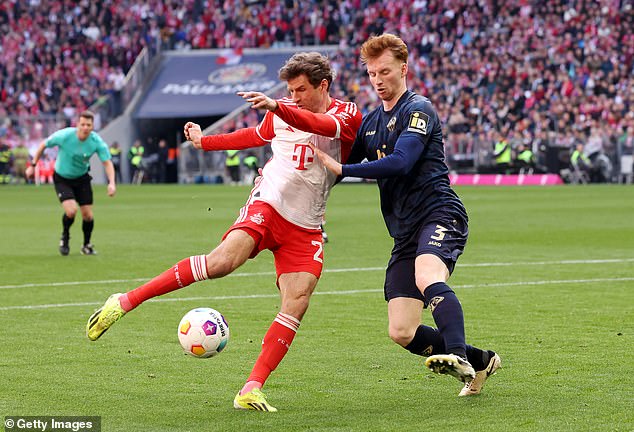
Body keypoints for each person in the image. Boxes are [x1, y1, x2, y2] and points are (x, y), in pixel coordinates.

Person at [86, 52, 362, 412]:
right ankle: (124, 301)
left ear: (323, 85)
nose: (293, 97)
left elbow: (319, 125)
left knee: (297, 301)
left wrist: (280, 108)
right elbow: (253, 135)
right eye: (289, 91)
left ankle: (250, 389)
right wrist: (205, 142)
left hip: (307, 223)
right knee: (222, 263)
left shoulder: (347, 114)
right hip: (269, 202)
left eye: (301, 90)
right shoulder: (280, 111)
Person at [310, 34, 500, 397]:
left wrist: (345, 169)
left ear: (404, 69)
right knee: (401, 331)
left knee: (428, 274)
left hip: (439, 212)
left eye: (385, 71)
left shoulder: (418, 110)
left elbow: (400, 162)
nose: (378, 80)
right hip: (404, 230)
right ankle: (481, 360)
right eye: (371, 73)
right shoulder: (369, 123)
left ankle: (458, 357)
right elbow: (335, 164)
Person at [26, 110, 116, 255]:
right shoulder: (65, 135)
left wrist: (112, 182)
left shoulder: (96, 141)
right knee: (71, 211)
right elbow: (44, 144)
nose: (85, 127)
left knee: (88, 215)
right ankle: (65, 236)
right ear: (77, 124)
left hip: (82, 178)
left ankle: (86, 245)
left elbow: (107, 162)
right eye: (83, 124)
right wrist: (33, 165)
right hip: (63, 178)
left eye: (88, 125)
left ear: (92, 126)